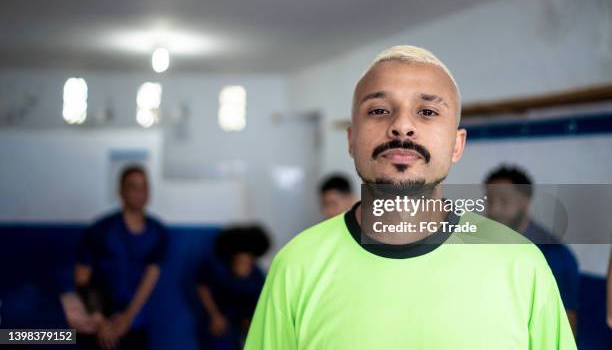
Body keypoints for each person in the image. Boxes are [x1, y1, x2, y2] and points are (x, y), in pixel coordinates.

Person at [244, 45, 575, 349]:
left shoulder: (521, 263)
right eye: (378, 110)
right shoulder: (296, 265)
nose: (402, 126)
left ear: (457, 145)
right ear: (351, 139)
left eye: (427, 112)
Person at [74, 165, 168, 350]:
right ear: (121, 191)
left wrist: (128, 318)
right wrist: (100, 322)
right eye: (133, 186)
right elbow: (81, 278)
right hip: (96, 323)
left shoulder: (158, 232)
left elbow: (149, 279)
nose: (139, 193)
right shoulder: (100, 230)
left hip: (135, 323)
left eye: (144, 187)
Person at [484, 165, 580, 334]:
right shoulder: (485, 244)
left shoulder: (554, 255)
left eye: (504, 201)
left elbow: (566, 325)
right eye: (490, 201)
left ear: (524, 201)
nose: (494, 209)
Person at [197, 225, 270, 350]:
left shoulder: (257, 275)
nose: (246, 258)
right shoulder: (218, 268)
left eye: (249, 255)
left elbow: (258, 300)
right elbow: (203, 288)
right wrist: (215, 315)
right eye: (242, 253)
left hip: (244, 322)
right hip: (220, 321)